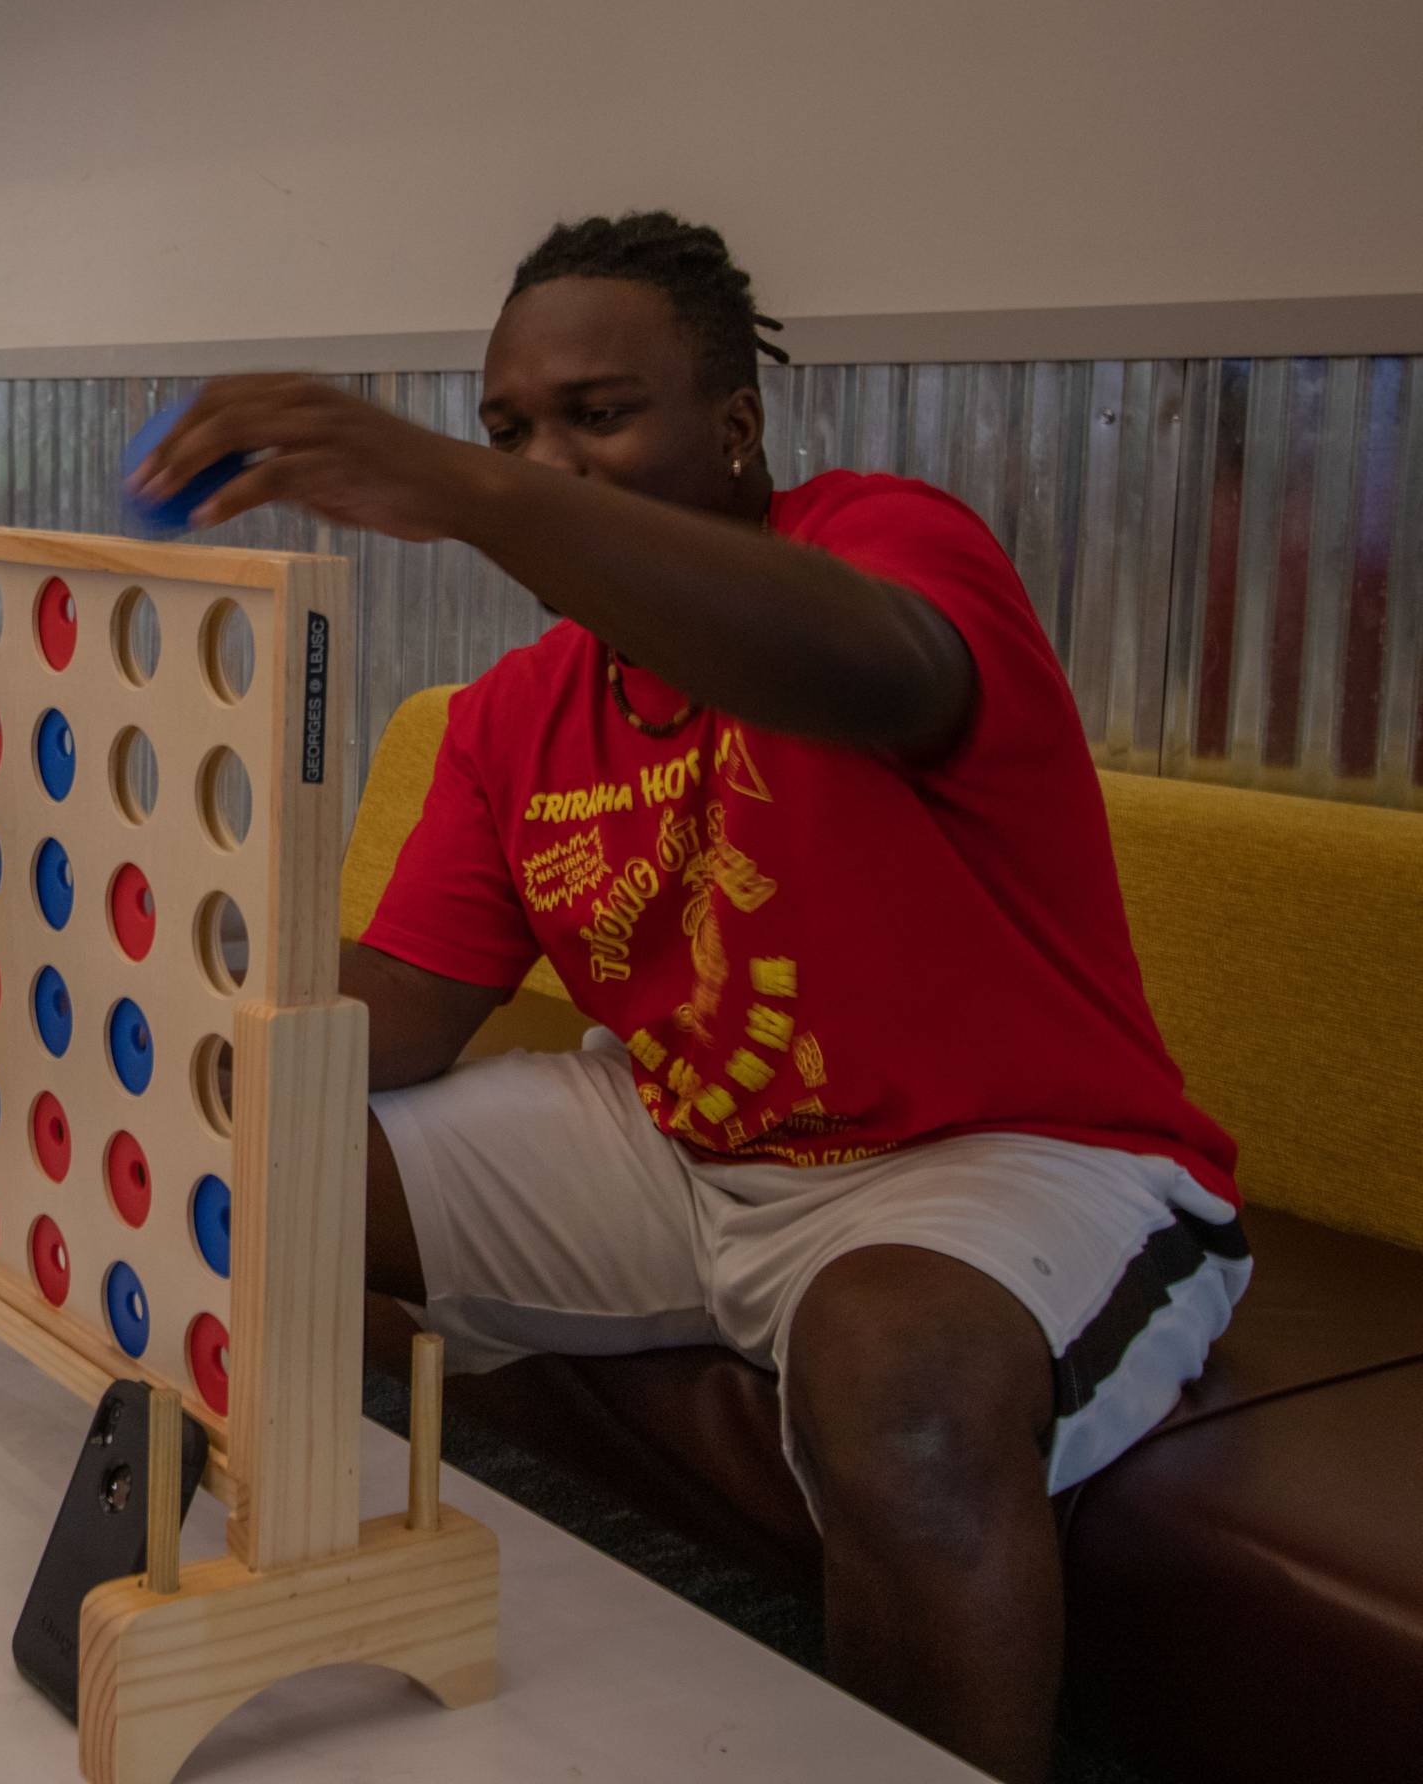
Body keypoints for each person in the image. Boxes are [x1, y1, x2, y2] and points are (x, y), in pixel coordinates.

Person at [134, 212, 1244, 1784]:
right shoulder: (514, 712)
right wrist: (178, 995)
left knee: (894, 1362)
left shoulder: (887, 544)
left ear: (739, 431)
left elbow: (878, 676)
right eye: (510, 427)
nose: (547, 462)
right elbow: (409, 1010)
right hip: (685, 1140)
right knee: (267, 1151)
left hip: (1005, 1157)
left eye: (599, 415)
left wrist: (475, 491)